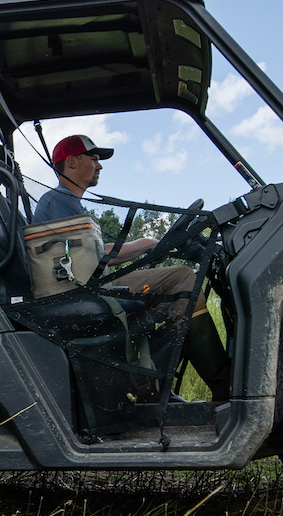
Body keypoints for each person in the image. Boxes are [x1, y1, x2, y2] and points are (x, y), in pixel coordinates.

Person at [32, 135, 230, 402]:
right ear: (72, 162)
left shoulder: (67, 203)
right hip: (82, 291)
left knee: (175, 294)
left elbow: (98, 251)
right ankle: (224, 389)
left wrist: (148, 245)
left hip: (89, 285)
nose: (99, 166)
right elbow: (97, 256)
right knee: (183, 279)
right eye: (93, 159)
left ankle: (156, 387)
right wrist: (147, 243)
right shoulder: (59, 201)